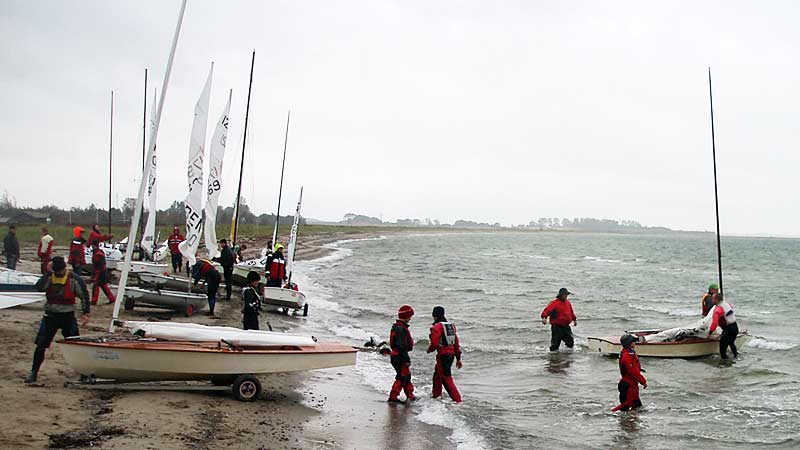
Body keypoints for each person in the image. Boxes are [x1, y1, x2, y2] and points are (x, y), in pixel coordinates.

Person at [26, 256, 90, 383]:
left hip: (67, 316)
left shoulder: (73, 279)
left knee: (75, 345)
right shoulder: (50, 276)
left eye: (61, 271)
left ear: (65, 268)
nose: (60, 273)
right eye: (57, 271)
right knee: (40, 345)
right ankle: (34, 373)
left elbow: (84, 295)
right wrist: (48, 272)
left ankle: (83, 373)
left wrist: (85, 313)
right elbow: (39, 287)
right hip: (50, 316)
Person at [426, 306, 463, 402]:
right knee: (437, 375)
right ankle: (436, 397)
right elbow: (456, 342)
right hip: (451, 355)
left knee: (446, 378)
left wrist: (429, 349)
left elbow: (434, 343)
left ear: (434, 316)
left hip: (442, 355)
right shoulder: (450, 326)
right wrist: (458, 358)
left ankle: (457, 400)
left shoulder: (437, 327)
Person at [611, 334, 648, 412]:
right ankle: (608, 414)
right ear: (629, 343)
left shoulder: (629, 352)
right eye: (633, 341)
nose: (635, 342)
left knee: (637, 406)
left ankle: (631, 422)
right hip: (628, 385)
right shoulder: (627, 355)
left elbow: (633, 367)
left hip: (632, 385)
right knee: (626, 406)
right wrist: (643, 381)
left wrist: (639, 369)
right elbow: (632, 371)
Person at [388, 304, 416, 403]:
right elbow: (401, 346)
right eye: (410, 316)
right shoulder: (401, 328)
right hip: (399, 356)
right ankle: (393, 396)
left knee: (406, 376)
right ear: (407, 316)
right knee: (402, 376)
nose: (410, 318)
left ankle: (410, 395)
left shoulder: (398, 327)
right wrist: (406, 359)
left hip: (396, 355)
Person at [708, 292, 739, 359]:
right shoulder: (728, 304)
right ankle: (736, 357)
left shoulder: (717, 310)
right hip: (735, 328)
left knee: (722, 351)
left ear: (716, 300)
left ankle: (725, 367)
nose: (711, 300)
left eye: (712, 298)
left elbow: (714, 323)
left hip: (728, 330)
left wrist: (709, 333)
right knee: (731, 343)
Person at [90, 240, 116, 304]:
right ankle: (111, 298)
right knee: (104, 286)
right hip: (103, 272)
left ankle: (94, 300)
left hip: (99, 272)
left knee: (96, 286)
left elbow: (98, 266)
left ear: (94, 245)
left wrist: (95, 275)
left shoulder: (97, 254)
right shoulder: (100, 252)